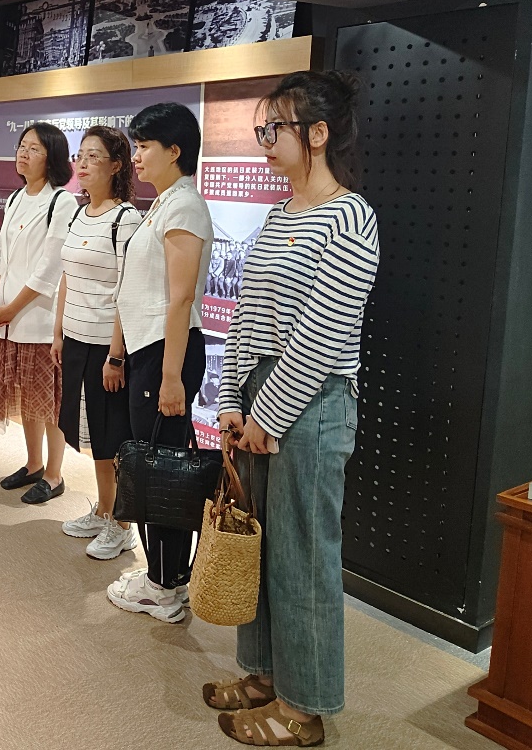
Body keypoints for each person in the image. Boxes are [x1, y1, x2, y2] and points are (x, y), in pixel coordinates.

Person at [206, 71, 378, 747]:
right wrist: (230, 402)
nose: (265, 140)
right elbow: (247, 315)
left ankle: (303, 709)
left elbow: (322, 333)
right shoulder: (280, 214)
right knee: (258, 543)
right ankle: (263, 675)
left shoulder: (351, 217)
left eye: (275, 127)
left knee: (303, 556)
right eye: (264, 128)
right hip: (262, 396)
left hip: (313, 406)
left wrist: (267, 419)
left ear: (319, 133)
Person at [108, 101, 213, 623]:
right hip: (150, 352)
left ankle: (166, 588)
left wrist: (171, 376)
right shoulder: (164, 203)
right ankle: (163, 576)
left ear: (175, 151)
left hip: (166, 354)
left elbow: (180, 297)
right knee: (152, 465)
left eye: (145, 146)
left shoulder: (184, 207)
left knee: (163, 470)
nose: (137, 156)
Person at [54, 126, 143, 551]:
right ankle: (105, 509)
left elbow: (128, 290)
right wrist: (58, 332)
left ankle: (123, 526)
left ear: (117, 165)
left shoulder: (126, 219)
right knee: (92, 434)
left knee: (113, 436)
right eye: (80, 156)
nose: (83, 164)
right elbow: (67, 277)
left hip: (106, 345)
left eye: (94, 156)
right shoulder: (77, 212)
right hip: (75, 339)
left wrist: (116, 355)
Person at [0, 123, 73, 503]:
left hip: (38, 319)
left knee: (49, 401)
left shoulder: (62, 202)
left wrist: (10, 308)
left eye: (34, 148)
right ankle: (33, 464)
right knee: (26, 396)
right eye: (22, 146)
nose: (23, 153)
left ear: (52, 157)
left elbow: (50, 269)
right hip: (9, 319)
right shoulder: (14, 198)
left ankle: (54, 475)